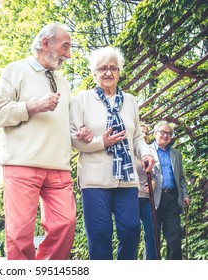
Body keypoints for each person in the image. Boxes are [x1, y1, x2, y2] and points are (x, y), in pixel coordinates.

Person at [0, 23, 89, 260]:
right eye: (65, 46)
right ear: (45, 43)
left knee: (65, 225)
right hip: (22, 164)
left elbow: (66, 125)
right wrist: (32, 106)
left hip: (59, 167)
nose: (69, 54)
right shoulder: (15, 70)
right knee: (20, 234)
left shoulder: (63, 82)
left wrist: (79, 134)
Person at [69, 46, 155, 260]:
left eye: (113, 68)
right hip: (95, 179)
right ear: (94, 73)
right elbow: (72, 138)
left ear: (119, 72)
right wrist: (101, 142)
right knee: (99, 234)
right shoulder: (82, 100)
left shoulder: (130, 101)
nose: (108, 73)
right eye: (103, 68)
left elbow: (136, 137)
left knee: (132, 229)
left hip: (126, 180)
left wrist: (145, 153)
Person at [150, 120, 190, 259]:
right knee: (152, 238)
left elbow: (181, 178)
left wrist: (185, 195)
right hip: (152, 199)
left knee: (174, 237)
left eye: (169, 133)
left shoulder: (176, 153)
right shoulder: (146, 151)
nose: (166, 135)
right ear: (155, 133)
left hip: (172, 198)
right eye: (163, 132)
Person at [136, 123, 157, 260]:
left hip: (147, 198)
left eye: (146, 132)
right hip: (132, 197)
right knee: (132, 232)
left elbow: (155, 174)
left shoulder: (150, 152)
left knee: (152, 232)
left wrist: (154, 182)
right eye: (141, 132)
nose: (144, 135)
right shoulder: (130, 151)